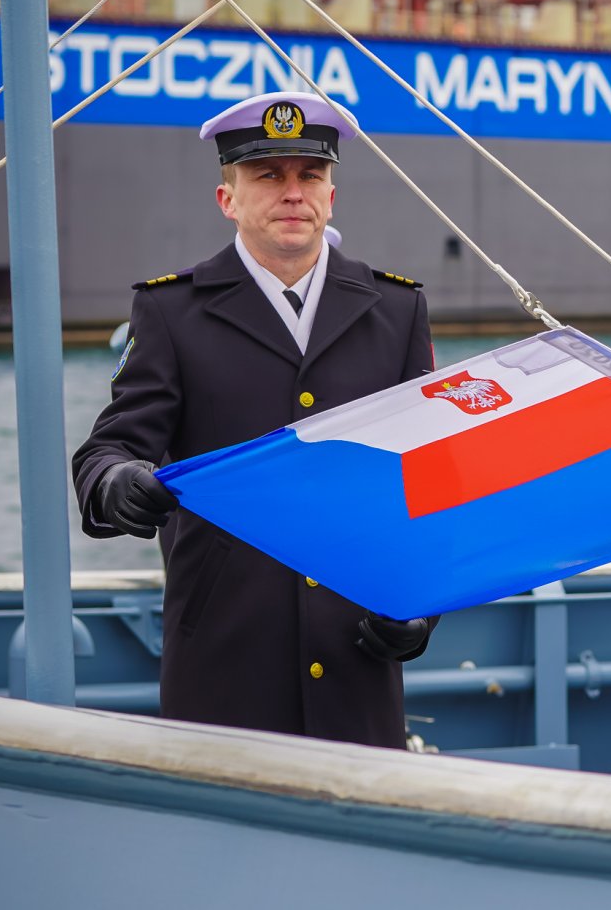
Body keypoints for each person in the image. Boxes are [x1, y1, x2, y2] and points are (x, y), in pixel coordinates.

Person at [73, 91, 436, 748]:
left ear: (332, 196)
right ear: (228, 200)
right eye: (268, 175)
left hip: (357, 658)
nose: (292, 192)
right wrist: (118, 479)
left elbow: (428, 479)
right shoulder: (171, 312)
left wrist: (423, 613)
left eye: (310, 175)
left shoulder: (397, 310)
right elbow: (112, 446)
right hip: (224, 662)